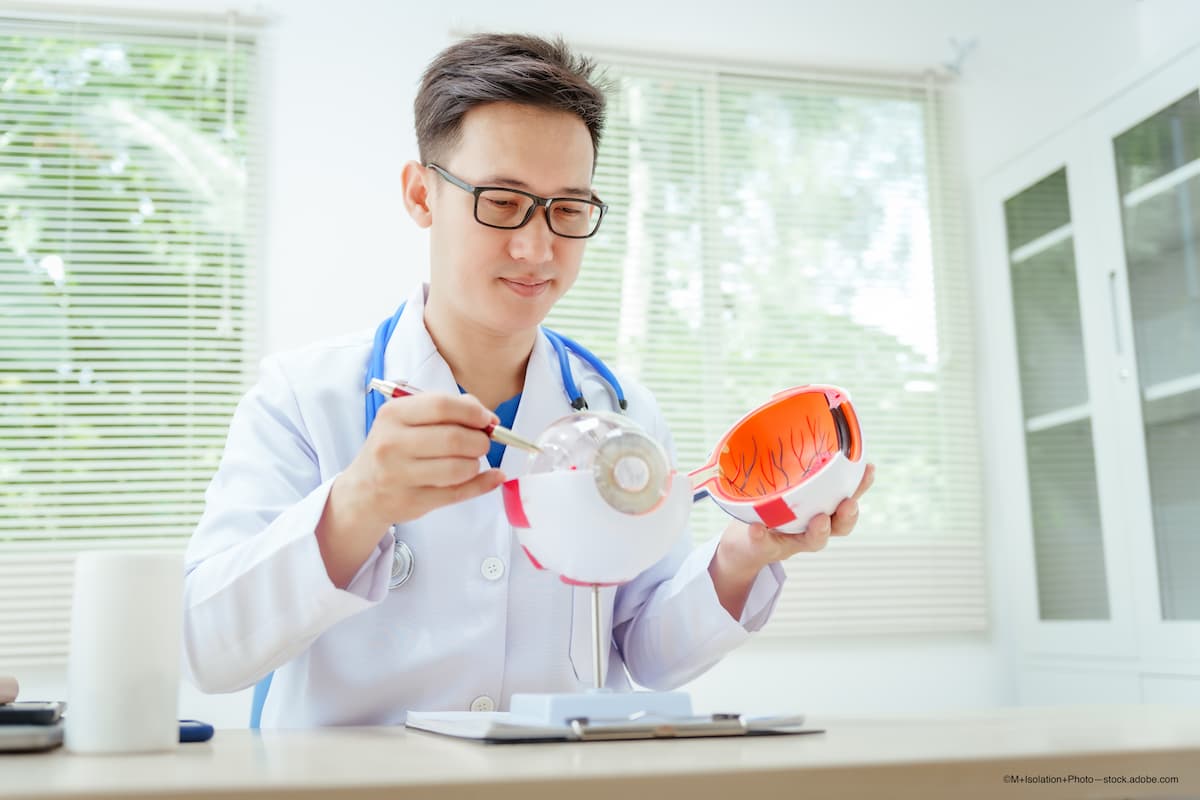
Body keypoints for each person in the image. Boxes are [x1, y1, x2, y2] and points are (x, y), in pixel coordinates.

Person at [182, 33, 876, 728]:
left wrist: (743, 556)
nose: (537, 248)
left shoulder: (622, 413)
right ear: (421, 194)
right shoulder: (303, 400)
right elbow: (210, 651)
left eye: (568, 210)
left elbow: (648, 652)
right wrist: (357, 504)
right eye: (503, 202)